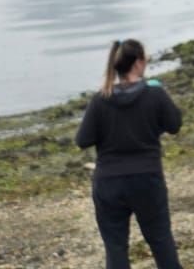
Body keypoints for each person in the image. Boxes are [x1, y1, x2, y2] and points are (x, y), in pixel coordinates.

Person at [74, 38, 184, 269]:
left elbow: (82, 140)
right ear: (137, 64)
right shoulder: (155, 94)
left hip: (109, 182)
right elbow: (174, 124)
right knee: (161, 242)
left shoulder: (100, 100)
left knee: (116, 248)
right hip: (147, 179)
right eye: (144, 60)